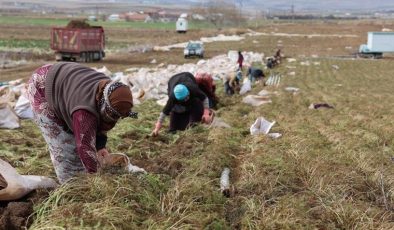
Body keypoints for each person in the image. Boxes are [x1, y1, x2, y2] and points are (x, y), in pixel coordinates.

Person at [27, 62, 137, 184]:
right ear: (104, 105)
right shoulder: (84, 112)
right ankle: (69, 185)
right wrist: (96, 179)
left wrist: (100, 146)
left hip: (65, 84)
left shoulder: (110, 91)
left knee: (78, 139)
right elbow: (85, 147)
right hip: (42, 87)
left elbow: (102, 121)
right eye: (114, 115)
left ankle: (79, 175)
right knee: (65, 147)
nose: (115, 119)